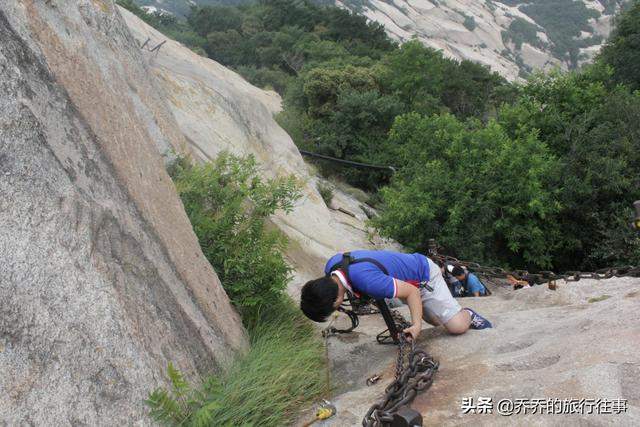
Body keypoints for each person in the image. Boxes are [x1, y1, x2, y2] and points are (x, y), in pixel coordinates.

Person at [300, 250, 492, 341]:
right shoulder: (331, 268)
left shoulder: (368, 282)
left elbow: (412, 291)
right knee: (435, 322)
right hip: (402, 279)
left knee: (456, 326)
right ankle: (445, 312)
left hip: (423, 276)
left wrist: (416, 326)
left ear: (336, 300)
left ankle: (469, 314)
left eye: (334, 308)